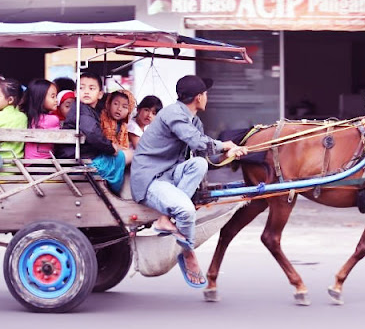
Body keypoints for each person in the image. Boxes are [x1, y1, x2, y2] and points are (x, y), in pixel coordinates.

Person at [130, 75, 248, 288]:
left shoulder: (194, 121)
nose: (207, 97)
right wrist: (225, 145)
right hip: (150, 178)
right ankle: (188, 253)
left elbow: (203, 156)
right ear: (198, 97)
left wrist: (230, 154)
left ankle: (165, 218)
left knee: (199, 166)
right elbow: (197, 141)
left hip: (170, 174)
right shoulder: (173, 114)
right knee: (186, 211)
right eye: (205, 94)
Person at [56, 72, 128, 194]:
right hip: (79, 160)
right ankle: (114, 192)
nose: (86, 91)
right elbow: (92, 133)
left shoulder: (88, 110)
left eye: (91, 88)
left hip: (81, 156)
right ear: (75, 93)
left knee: (122, 154)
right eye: (81, 88)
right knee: (124, 156)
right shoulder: (82, 110)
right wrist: (111, 148)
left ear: (100, 94)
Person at [22, 79, 60, 160]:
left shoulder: (26, 117)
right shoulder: (52, 119)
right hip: (45, 162)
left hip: (28, 162)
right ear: (40, 98)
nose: (56, 100)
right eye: (53, 97)